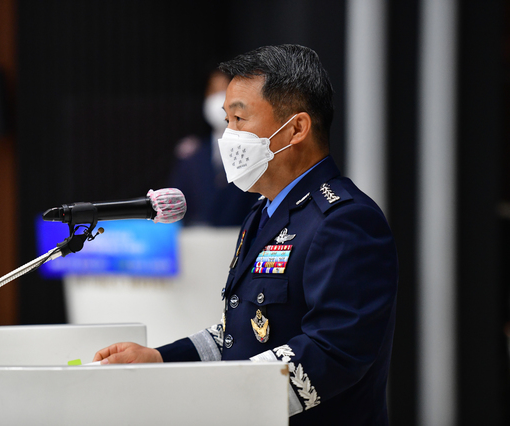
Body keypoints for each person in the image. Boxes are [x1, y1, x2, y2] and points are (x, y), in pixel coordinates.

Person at [93, 44, 398, 425]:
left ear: (297, 128)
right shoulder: (262, 212)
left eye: (239, 119)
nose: (228, 136)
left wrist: (218, 399)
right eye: (226, 120)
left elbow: (333, 350)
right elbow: (240, 332)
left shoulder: (345, 220)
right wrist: (161, 359)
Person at [169, 69, 260, 226]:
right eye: (213, 91)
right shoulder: (191, 158)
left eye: (225, 90)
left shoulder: (258, 154)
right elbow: (175, 207)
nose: (219, 98)